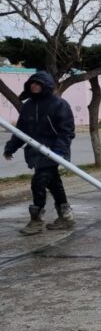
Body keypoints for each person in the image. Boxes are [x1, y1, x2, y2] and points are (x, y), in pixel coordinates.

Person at [3, 71, 76, 235]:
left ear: (46, 85)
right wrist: (11, 147)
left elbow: (67, 131)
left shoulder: (59, 104)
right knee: (54, 183)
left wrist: (58, 151)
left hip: (52, 152)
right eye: (31, 84)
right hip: (35, 153)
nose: (34, 86)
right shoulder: (28, 106)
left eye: (37, 83)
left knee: (38, 183)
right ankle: (66, 216)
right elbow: (21, 131)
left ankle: (36, 220)